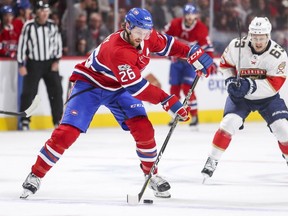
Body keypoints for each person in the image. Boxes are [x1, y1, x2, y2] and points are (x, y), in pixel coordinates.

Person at [20, 7, 213, 199]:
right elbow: (136, 87)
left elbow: (168, 45)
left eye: (146, 32)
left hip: (118, 88)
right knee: (67, 133)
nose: (142, 37)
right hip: (90, 85)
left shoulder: (147, 36)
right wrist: (166, 100)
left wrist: (192, 52)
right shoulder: (118, 50)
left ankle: (150, 175)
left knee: (144, 128)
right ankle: (36, 174)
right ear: (127, 27)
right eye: (138, 32)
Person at [201, 17, 288, 182]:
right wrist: (229, 81)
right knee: (228, 124)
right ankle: (212, 159)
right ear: (250, 35)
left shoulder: (278, 54)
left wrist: (249, 85)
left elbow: (274, 85)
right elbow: (225, 65)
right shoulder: (237, 45)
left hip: (267, 98)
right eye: (255, 37)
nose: (258, 41)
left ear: (268, 36)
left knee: (284, 129)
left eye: (261, 37)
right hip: (241, 98)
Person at [164, 3, 217, 127]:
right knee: (174, 89)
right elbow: (164, 38)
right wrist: (167, 53)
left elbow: (207, 47)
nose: (189, 17)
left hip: (190, 64)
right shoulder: (175, 24)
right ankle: (175, 115)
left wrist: (210, 62)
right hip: (176, 62)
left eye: (192, 14)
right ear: (184, 15)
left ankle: (194, 116)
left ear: (196, 15)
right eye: (187, 14)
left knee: (187, 88)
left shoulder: (201, 28)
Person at [17, 1, 63, 130]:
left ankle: (57, 120)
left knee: (56, 92)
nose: (44, 13)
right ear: (36, 12)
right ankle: (25, 120)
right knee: (28, 93)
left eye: (46, 11)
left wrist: (56, 61)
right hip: (33, 64)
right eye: (42, 10)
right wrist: (21, 63)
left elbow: (57, 44)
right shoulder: (29, 26)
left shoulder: (53, 26)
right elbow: (22, 44)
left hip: (50, 63)